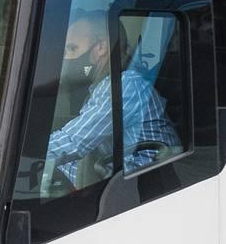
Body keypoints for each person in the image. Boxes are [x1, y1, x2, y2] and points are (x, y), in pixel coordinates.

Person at [46, 11, 181, 185]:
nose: (65, 58)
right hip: (133, 183)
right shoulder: (104, 86)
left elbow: (74, 142)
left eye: (72, 48)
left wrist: (29, 153)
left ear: (101, 47)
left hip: (150, 188)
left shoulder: (125, 85)